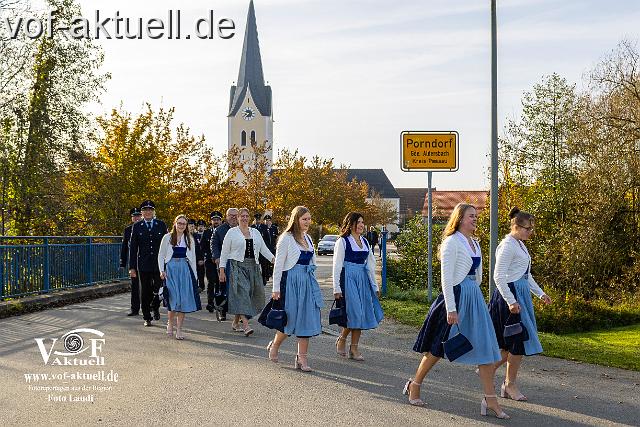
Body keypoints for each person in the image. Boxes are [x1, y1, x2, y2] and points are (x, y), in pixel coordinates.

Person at [406, 203, 508, 419]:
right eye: (471, 216)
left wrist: (477, 295)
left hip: (474, 298)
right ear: (460, 218)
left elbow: (477, 275)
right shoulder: (451, 242)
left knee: (487, 348)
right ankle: (415, 384)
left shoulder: (475, 243)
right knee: (438, 348)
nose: (475, 219)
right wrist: (451, 309)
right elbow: (446, 279)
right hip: (456, 298)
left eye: (476, 216)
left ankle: (490, 400)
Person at [489, 207, 552, 401]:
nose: (530, 232)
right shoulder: (508, 245)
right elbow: (498, 277)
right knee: (516, 343)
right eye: (527, 228)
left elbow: (526, 274)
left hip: (521, 293)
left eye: (532, 228)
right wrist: (511, 301)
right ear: (515, 226)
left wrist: (540, 294)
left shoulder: (520, 244)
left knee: (513, 344)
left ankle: (490, 372)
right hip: (511, 296)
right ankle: (508, 384)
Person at [264, 206, 323, 371]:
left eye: (309, 219)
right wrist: (276, 288)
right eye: (304, 219)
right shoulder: (286, 238)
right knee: (289, 319)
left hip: (306, 282)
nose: (307, 222)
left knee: (306, 320)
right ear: (296, 220)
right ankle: (275, 345)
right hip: (291, 282)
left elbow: (312, 261)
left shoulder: (309, 238)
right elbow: (278, 265)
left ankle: (301, 358)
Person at [332, 212, 384, 361]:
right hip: (348, 278)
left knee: (361, 314)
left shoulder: (365, 242)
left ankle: (354, 348)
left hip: (362, 279)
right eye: (358, 222)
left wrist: (375, 286)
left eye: (362, 222)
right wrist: (337, 288)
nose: (361, 225)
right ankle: (342, 338)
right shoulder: (342, 242)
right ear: (351, 223)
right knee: (354, 312)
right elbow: (337, 266)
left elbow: (370, 266)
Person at [219, 208, 274, 336]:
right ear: (238, 218)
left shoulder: (255, 232)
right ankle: (246, 325)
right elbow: (224, 253)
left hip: (253, 267)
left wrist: (274, 260)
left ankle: (235, 322)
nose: (244, 218)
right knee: (242, 293)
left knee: (251, 294)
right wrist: (222, 271)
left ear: (249, 218)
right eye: (242, 216)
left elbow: (263, 249)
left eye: (246, 216)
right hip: (237, 266)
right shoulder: (232, 232)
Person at [158, 215, 201, 340]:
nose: (181, 226)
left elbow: (192, 259)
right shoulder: (167, 237)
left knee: (183, 301)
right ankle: (170, 323)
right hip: (171, 269)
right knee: (173, 299)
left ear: (186, 225)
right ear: (175, 223)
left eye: (184, 224)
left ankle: (179, 329)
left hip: (184, 269)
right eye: (179, 223)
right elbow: (161, 255)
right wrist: (162, 270)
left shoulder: (189, 239)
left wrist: (195, 277)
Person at [128, 200, 168, 327]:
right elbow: (133, 248)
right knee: (145, 291)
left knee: (158, 289)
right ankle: (147, 316)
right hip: (143, 264)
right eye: (145, 210)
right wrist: (132, 267)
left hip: (158, 264)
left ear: (153, 211)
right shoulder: (137, 226)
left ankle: (155, 307)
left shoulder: (161, 225)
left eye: (150, 210)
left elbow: (167, 245)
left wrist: (167, 263)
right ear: (142, 212)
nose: (148, 212)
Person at [211, 209, 238, 321]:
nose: (233, 217)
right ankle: (222, 310)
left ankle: (240, 314)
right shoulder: (219, 230)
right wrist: (217, 257)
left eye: (235, 215)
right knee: (223, 288)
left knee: (240, 288)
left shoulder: (243, 229)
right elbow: (214, 244)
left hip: (239, 263)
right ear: (226, 217)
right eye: (230, 215)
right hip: (224, 263)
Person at [120, 207, 143, 316]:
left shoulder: (146, 227)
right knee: (134, 287)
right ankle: (134, 309)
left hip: (145, 261)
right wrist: (123, 262)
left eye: (138, 215)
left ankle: (149, 306)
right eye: (134, 216)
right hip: (133, 262)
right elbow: (125, 247)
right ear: (132, 218)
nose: (136, 218)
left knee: (148, 286)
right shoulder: (128, 230)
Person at [201, 212, 222, 313]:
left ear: (221, 220)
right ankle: (210, 303)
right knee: (211, 282)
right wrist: (206, 256)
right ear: (211, 221)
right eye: (214, 220)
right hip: (209, 261)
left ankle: (219, 304)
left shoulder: (224, 232)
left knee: (220, 282)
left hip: (221, 262)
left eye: (218, 219)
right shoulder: (207, 232)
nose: (216, 221)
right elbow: (202, 246)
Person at [258, 214, 279, 286]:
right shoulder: (262, 228)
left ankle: (271, 275)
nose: (267, 222)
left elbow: (276, 237)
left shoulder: (274, 228)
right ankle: (264, 278)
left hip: (272, 248)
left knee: (272, 264)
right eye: (266, 220)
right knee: (264, 264)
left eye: (269, 220)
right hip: (265, 249)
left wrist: (276, 245)